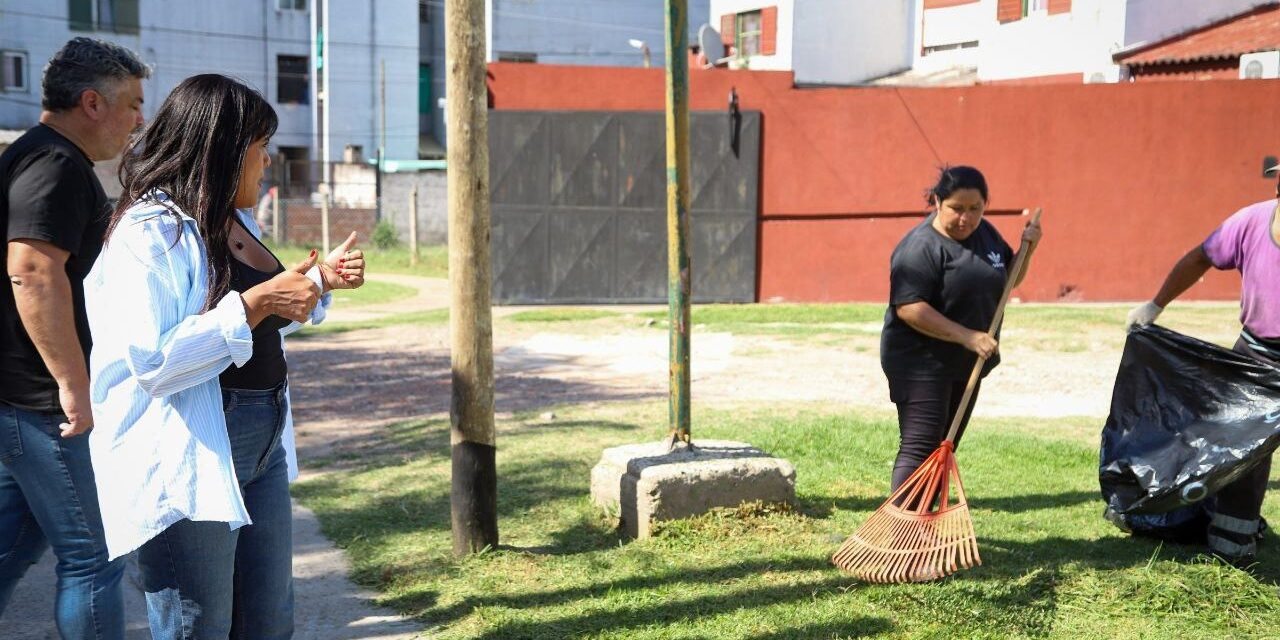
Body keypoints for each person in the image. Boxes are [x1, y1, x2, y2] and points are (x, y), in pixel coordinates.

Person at [84, 74, 365, 638]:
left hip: (261, 440)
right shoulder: (149, 234)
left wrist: (314, 283)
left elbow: (257, 318)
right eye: (260, 152)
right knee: (200, 626)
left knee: (267, 622)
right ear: (221, 153)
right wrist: (257, 302)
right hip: (191, 446)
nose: (266, 167)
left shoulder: (234, 219)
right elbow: (157, 363)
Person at [0, 37, 148, 639]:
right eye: (134, 103)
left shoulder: (36, 155)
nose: (141, 118)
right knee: (95, 554)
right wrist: (71, 383)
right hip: (43, 402)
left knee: (17, 538)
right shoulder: (55, 164)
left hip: (25, 399)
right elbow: (31, 269)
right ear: (93, 102)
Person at [1126, 188, 1280, 566]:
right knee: (1242, 455)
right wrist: (1155, 305)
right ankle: (1233, 543)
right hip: (1255, 358)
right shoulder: (1250, 222)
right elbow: (1200, 258)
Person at [879, 166, 1042, 495]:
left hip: (965, 361)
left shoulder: (987, 235)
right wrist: (968, 336)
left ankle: (925, 526)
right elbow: (910, 308)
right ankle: (901, 529)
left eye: (975, 209)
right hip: (920, 362)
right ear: (938, 202)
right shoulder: (920, 247)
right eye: (956, 208)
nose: (966, 219)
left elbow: (1007, 279)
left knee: (945, 446)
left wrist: (1028, 250)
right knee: (920, 447)